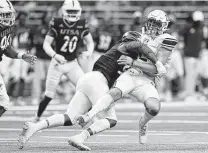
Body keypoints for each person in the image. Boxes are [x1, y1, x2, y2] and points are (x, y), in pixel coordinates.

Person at [18, 30, 167, 150]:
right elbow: (140, 47)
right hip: (98, 80)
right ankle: (80, 136)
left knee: (69, 117)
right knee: (111, 119)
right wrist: (158, 63)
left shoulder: (120, 52)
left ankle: (35, 127)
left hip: (88, 80)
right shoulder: (125, 45)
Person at [76, 9, 177, 145]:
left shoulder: (166, 39)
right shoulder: (138, 35)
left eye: (156, 24)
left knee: (153, 108)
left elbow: (156, 70)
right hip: (130, 74)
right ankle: (90, 115)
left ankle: (143, 123)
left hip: (146, 81)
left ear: (164, 26)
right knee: (115, 93)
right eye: (151, 22)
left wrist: (133, 62)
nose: (152, 26)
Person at [33, 0, 94, 122]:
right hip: (57, 64)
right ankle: (37, 117)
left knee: (86, 89)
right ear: (63, 11)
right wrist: (55, 55)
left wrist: (88, 52)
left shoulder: (81, 24)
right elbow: (46, 44)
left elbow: (90, 42)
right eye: (70, 11)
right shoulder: (57, 23)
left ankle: (90, 117)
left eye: (74, 11)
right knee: (49, 95)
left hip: (72, 64)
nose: (72, 14)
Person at [0, 0, 37, 117]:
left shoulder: (9, 28)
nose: (8, 17)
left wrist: (21, 56)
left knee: (4, 103)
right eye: (4, 14)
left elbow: (6, 48)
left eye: (9, 14)